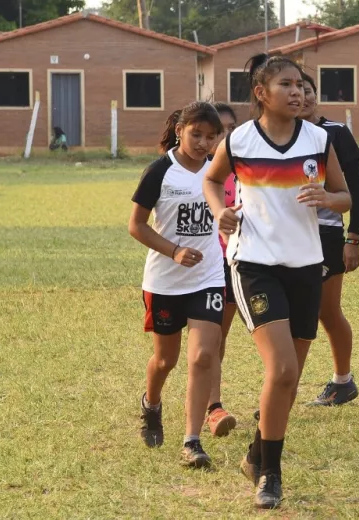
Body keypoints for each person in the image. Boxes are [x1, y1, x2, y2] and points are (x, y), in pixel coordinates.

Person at [203, 54, 351, 509]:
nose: (296, 91)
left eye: (300, 84)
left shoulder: (318, 138)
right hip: (255, 264)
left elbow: (345, 197)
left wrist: (329, 197)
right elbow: (211, 180)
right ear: (261, 93)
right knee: (282, 369)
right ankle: (271, 474)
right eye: (285, 84)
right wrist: (219, 211)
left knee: (290, 377)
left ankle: (255, 454)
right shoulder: (240, 140)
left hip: (306, 265)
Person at [128, 102, 225, 467]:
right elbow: (136, 226)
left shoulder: (218, 170)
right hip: (166, 281)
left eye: (210, 136)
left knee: (203, 356)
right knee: (165, 360)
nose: (203, 143)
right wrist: (174, 251)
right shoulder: (159, 172)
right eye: (196, 134)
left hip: (209, 278)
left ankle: (192, 441)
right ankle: (151, 403)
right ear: (180, 130)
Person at [299, 74, 359, 406]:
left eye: (307, 90)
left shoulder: (335, 133)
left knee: (326, 311)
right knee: (293, 313)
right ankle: (281, 389)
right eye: (295, 89)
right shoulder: (270, 136)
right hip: (285, 235)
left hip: (325, 235)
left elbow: (355, 189)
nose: (303, 96)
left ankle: (343, 381)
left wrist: (353, 237)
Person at [204, 102, 240, 437]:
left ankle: (212, 405)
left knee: (220, 336)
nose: (223, 136)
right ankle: (211, 407)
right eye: (218, 130)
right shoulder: (196, 171)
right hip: (203, 266)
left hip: (236, 262)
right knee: (209, 338)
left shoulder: (245, 168)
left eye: (230, 129)